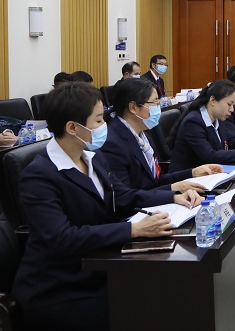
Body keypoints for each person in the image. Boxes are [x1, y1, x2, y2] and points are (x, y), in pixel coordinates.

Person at [12, 82, 199, 331]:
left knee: (172, 291)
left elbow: (122, 197)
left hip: (102, 267)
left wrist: (172, 196)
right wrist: (133, 230)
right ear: (72, 127)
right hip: (60, 288)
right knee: (152, 309)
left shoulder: (93, 157)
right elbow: (61, 238)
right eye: (99, 120)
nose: (105, 127)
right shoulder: (39, 175)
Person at [102, 78, 222, 192]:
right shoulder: (113, 143)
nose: (158, 108)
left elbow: (156, 180)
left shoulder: (144, 135)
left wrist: (193, 173)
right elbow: (126, 196)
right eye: (155, 103)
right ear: (133, 107)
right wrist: (172, 191)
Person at [168, 80, 235, 172]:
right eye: (229, 104)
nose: (232, 109)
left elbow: (232, 139)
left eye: (233, 105)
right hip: (187, 179)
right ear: (213, 101)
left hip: (213, 173)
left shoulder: (218, 117)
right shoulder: (193, 122)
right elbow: (211, 156)